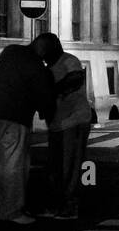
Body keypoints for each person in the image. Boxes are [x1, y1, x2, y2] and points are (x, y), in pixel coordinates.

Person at [0, 34, 57, 226]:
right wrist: (50, 120)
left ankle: (4, 206)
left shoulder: (10, 51)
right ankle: (13, 211)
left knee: (0, 165)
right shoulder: (36, 67)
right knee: (15, 166)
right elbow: (45, 99)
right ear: (43, 49)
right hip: (15, 119)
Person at [36, 34, 94, 220]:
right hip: (58, 123)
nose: (42, 55)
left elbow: (75, 78)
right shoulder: (48, 67)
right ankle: (56, 203)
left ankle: (70, 205)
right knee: (56, 164)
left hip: (74, 120)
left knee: (70, 164)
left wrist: (50, 92)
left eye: (44, 50)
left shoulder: (70, 61)